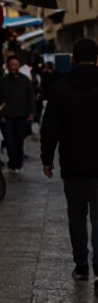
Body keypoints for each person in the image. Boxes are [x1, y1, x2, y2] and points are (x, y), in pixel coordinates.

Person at [40, 38, 98, 285]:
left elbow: (50, 127)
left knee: (76, 216)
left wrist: (47, 158)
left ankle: (81, 265)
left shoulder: (60, 87)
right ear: (96, 59)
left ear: (73, 59)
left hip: (72, 163)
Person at [0, 54, 35, 171]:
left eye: (15, 65)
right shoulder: (2, 81)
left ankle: (18, 162)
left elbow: (31, 98)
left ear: (19, 66)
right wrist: (0, 113)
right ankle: (12, 162)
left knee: (19, 140)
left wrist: (31, 113)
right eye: (11, 65)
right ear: (7, 66)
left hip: (22, 115)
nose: (13, 67)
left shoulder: (25, 81)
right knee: (10, 141)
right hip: (7, 116)